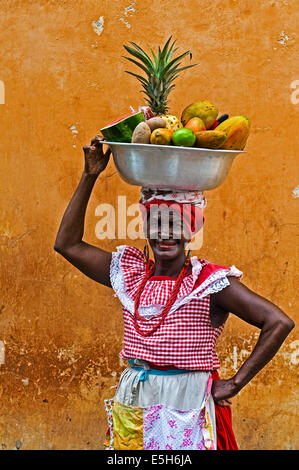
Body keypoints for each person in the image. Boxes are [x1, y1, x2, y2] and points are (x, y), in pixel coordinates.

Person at [54, 136, 294, 450]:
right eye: (157, 223)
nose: (166, 233)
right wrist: (90, 175)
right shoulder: (130, 273)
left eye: (176, 223)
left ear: (191, 229)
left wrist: (235, 383)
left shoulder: (208, 282)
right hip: (137, 395)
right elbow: (66, 245)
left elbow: (278, 322)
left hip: (189, 399)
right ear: (146, 227)